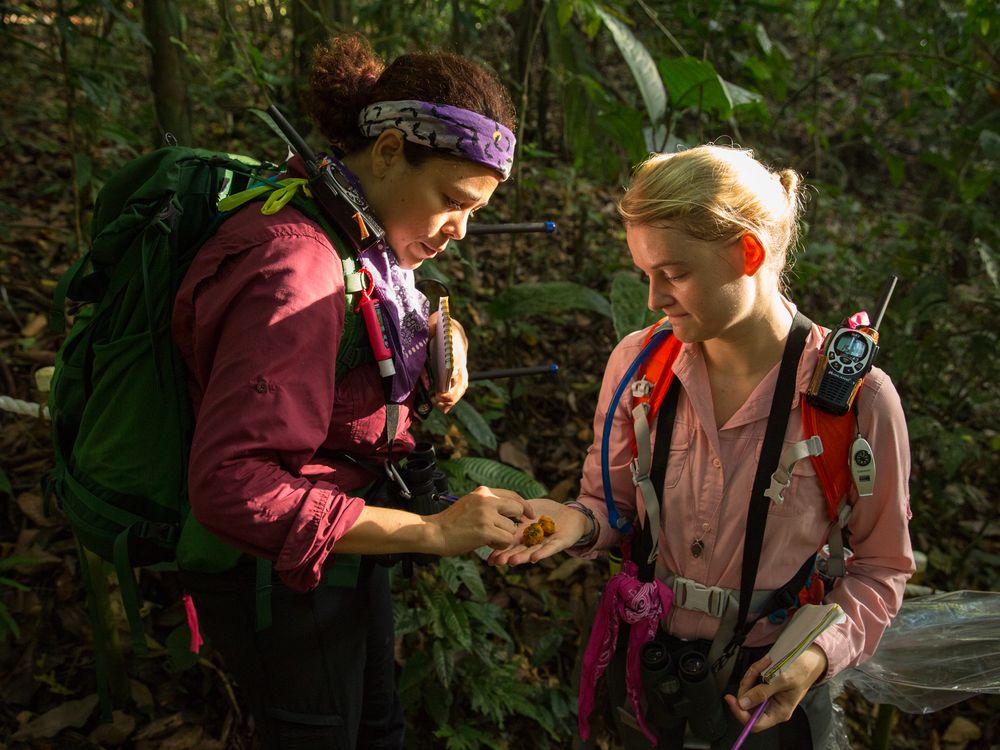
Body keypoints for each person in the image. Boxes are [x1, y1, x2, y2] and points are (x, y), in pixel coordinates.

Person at [171, 34, 533, 750]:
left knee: (377, 730)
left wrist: (441, 336)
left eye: (477, 211)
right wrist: (433, 532)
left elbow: (367, 326)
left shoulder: (356, 230)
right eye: (453, 202)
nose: (461, 230)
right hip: (283, 584)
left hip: (345, 551)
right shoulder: (296, 267)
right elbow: (229, 485)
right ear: (392, 150)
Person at [489, 145, 915, 749]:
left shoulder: (856, 400)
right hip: (650, 673)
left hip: (765, 689)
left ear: (749, 253)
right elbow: (609, 509)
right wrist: (573, 523)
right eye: (646, 274)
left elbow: (882, 567)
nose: (653, 298)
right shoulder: (639, 366)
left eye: (675, 274)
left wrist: (816, 656)